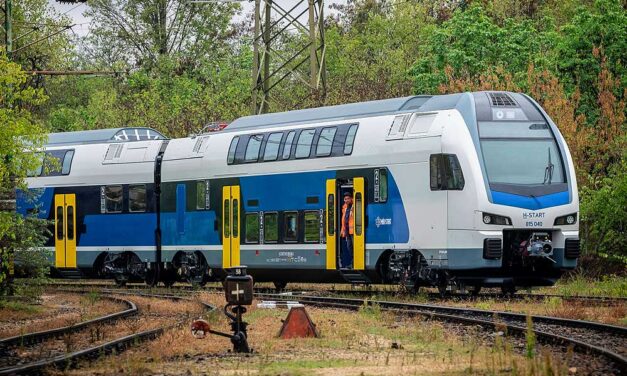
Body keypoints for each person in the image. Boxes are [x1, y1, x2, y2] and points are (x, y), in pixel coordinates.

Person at [340, 191, 354, 269]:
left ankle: (355, 263)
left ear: (351, 198)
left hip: (354, 232)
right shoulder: (344, 207)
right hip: (347, 231)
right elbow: (344, 220)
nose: (346, 200)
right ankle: (353, 263)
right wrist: (342, 230)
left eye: (348, 198)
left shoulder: (355, 205)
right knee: (349, 247)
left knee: (354, 247)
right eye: (345, 199)